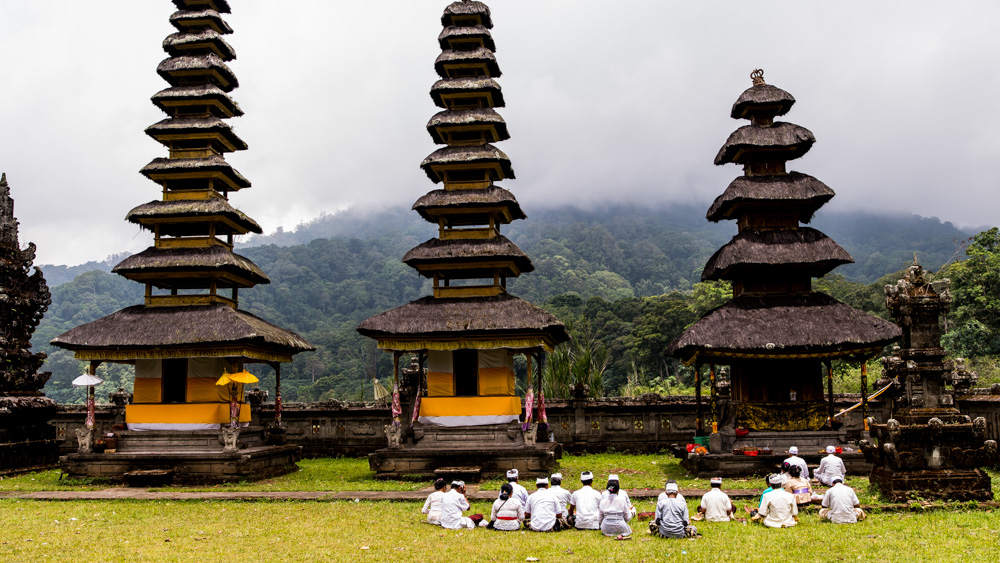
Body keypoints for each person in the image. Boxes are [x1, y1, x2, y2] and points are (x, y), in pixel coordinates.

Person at [598, 474, 634, 539]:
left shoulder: (603, 501)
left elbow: (600, 519)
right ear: (618, 489)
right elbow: (627, 518)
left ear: (608, 489)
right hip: (621, 527)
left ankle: (609, 533)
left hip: (606, 528)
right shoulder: (622, 500)